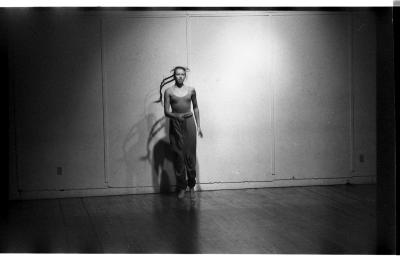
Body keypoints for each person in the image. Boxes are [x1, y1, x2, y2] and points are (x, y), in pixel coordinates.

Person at [163, 66, 203, 200]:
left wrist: (198, 126)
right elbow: (166, 111)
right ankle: (181, 187)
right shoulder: (168, 91)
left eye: (182, 74)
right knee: (178, 156)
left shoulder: (191, 90)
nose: (180, 76)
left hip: (189, 122)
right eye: (177, 74)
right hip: (176, 124)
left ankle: (191, 186)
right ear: (174, 76)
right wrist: (176, 117)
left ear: (185, 76)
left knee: (190, 156)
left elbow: (196, 107)